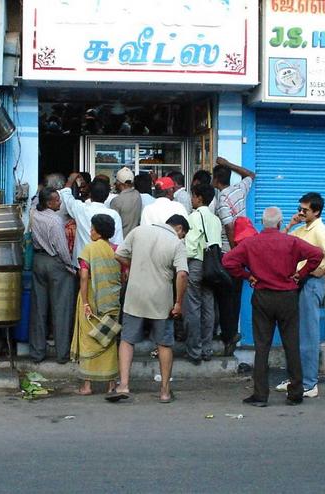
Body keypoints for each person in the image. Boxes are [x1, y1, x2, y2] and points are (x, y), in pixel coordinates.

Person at [223, 207, 323, 407]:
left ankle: (260, 395)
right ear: (279, 223)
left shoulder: (251, 243)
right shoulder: (291, 241)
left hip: (263, 296)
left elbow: (228, 261)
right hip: (287, 297)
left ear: (262, 223)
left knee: (262, 347)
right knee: (291, 345)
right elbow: (317, 255)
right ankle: (295, 393)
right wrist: (300, 274)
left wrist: (246, 275)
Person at [108, 215, 189, 404]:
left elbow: (119, 254)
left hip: (135, 295)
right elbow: (182, 274)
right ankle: (164, 391)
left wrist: (133, 267)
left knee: (127, 340)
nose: (182, 237)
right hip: (161, 299)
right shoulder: (176, 244)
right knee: (164, 344)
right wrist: (178, 303)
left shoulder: (138, 231)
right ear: (178, 227)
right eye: (183, 233)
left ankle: (124, 385)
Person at [276, 192, 325, 398]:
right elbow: (282, 242)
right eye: (299, 208)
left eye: (304, 210)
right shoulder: (304, 229)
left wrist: (322, 271)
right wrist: (290, 223)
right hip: (299, 283)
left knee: (307, 334)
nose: (300, 212)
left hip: (310, 284)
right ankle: (296, 379)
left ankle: (309, 383)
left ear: (316, 211)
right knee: (295, 333)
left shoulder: (319, 230)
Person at [70, 214, 122, 396]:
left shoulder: (89, 249)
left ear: (98, 232)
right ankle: (111, 385)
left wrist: (85, 302)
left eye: (92, 229)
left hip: (91, 297)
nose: (90, 231)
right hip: (111, 301)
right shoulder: (117, 250)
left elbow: (84, 276)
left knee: (88, 340)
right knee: (109, 341)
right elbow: (123, 275)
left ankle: (87, 386)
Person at [212, 156, 256, 356]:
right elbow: (251, 175)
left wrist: (233, 255)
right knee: (235, 295)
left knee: (225, 296)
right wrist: (228, 164)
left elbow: (229, 227)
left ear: (215, 180)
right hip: (244, 250)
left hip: (229, 252)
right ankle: (231, 334)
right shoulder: (240, 189)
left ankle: (229, 335)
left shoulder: (222, 199)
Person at [29, 188, 77, 364]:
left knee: (38, 309)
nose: (60, 202)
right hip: (55, 262)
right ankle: (62, 353)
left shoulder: (34, 213)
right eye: (57, 200)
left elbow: (34, 200)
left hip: (38, 260)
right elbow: (62, 249)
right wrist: (70, 266)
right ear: (48, 203)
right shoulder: (55, 221)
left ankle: (37, 353)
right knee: (61, 309)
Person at [183, 184, 222, 365]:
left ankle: (195, 350)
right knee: (209, 306)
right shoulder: (215, 219)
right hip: (213, 266)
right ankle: (207, 348)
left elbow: (190, 247)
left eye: (193, 196)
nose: (191, 199)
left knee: (193, 307)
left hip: (197, 264)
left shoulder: (193, 217)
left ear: (199, 198)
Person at [59, 174, 123, 270]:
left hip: (82, 265)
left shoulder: (80, 208)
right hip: (104, 265)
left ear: (90, 194)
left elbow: (66, 196)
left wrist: (70, 180)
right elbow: (118, 243)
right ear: (107, 196)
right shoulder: (113, 215)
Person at [110, 167, 142, 237]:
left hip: (121, 239)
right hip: (134, 237)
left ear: (119, 183)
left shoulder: (117, 201)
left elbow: (112, 225)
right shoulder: (137, 195)